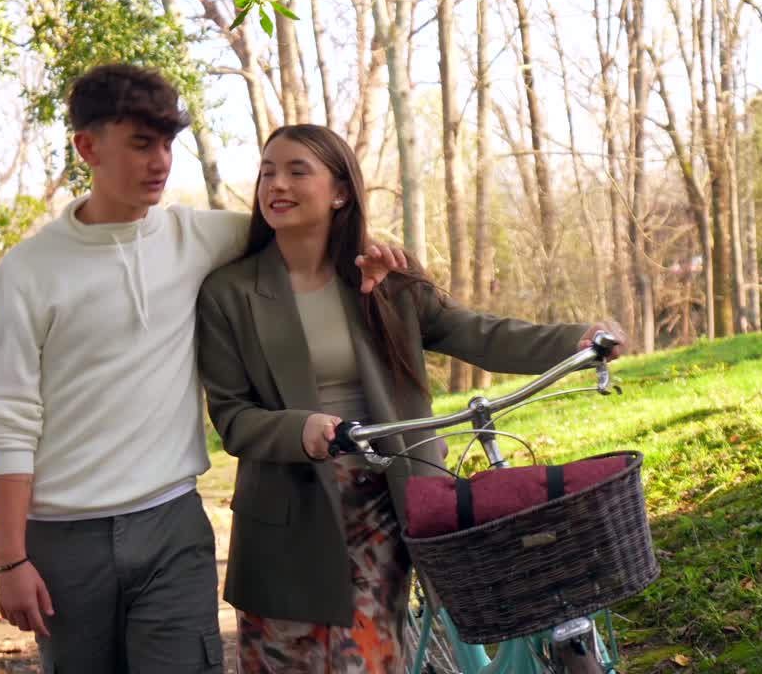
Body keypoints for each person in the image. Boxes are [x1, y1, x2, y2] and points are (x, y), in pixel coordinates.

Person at [0, 66, 405, 674]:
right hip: (64, 539)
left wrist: (377, 251)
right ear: (87, 147)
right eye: (140, 144)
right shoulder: (29, 269)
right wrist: (10, 559)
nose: (161, 162)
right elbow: (10, 417)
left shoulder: (199, 236)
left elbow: (302, 228)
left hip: (172, 526)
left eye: (168, 145)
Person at [195, 123, 624, 673]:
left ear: (341, 191)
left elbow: (475, 333)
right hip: (290, 512)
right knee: (287, 661)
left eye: (297, 170)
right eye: (267, 171)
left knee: (369, 659)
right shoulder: (229, 294)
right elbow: (233, 417)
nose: (276, 183)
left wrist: (576, 340)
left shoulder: (382, 278)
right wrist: (299, 429)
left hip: (386, 499)